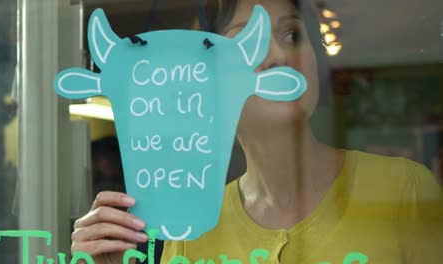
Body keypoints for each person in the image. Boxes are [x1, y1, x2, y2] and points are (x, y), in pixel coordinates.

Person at [71, 0, 443, 263]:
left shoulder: (405, 190)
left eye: (293, 36)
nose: (279, 56)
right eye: (247, 43)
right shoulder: (189, 232)